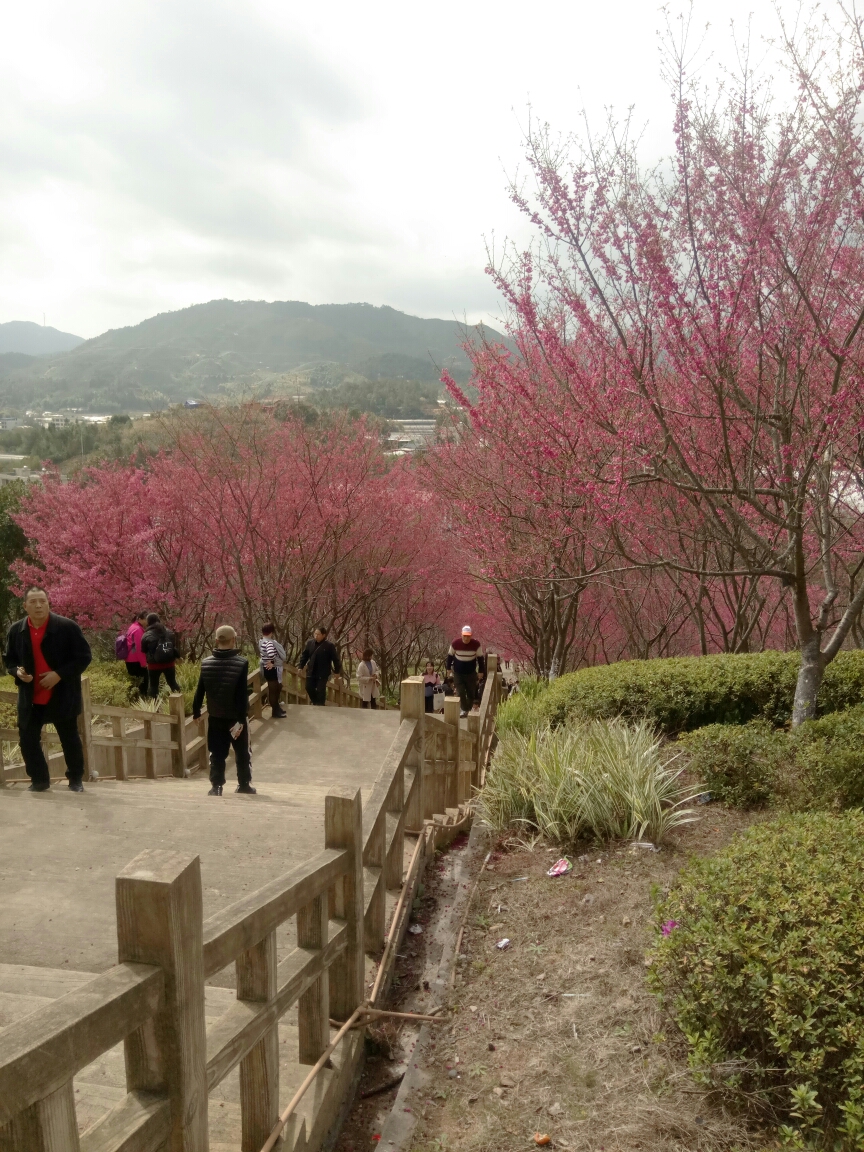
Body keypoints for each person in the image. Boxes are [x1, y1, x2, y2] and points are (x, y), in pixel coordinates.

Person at [3, 587, 92, 792]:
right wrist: (17, 672)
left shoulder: (67, 627)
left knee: (69, 738)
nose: (38, 605)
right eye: (33, 602)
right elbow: (9, 659)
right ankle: (40, 780)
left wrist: (58, 674)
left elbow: (84, 657)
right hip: (30, 695)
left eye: (42, 601)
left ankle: (75, 779)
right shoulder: (16, 630)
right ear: (25, 606)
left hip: (61, 693)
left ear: (48, 603)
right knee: (27, 739)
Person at [192, 624, 255, 796]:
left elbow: (200, 690)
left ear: (216, 640)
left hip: (215, 717)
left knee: (217, 753)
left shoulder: (206, 663)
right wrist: (242, 719)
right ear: (233, 640)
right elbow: (242, 694)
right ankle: (243, 785)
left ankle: (216, 786)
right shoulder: (241, 663)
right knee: (242, 752)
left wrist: (196, 711)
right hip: (235, 717)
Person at [445, 625, 485, 718]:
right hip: (458, 673)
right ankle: (464, 709)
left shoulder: (476, 644)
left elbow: (480, 659)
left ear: (471, 636)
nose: (466, 638)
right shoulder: (455, 643)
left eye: (468, 636)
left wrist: (481, 671)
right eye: (464, 636)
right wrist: (448, 668)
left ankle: (467, 709)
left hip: (471, 673)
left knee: (471, 693)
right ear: (461, 635)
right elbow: (450, 656)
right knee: (461, 692)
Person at [298, 625, 343, 706]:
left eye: (318, 634)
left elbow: (335, 659)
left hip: (323, 672)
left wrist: (337, 671)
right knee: (308, 687)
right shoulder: (310, 643)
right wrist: (300, 667)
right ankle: (316, 702)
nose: (316, 636)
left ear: (323, 635)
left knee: (320, 690)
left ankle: (320, 705)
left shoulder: (329, 645)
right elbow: (305, 656)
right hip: (311, 671)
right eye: (315, 634)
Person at [141, 612, 179, 698]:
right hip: (169, 663)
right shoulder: (169, 632)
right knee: (173, 683)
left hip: (154, 665)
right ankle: (181, 701)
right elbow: (173, 646)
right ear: (158, 620)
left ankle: (154, 708)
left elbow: (143, 650)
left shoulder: (146, 635)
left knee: (153, 686)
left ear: (148, 622)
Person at [259, 622, 287, 718]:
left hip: (268, 669)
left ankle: (277, 708)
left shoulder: (262, 641)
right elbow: (271, 653)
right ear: (271, 632)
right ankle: (275, 711)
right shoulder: (269, 642)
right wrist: (272, 662)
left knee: (277, 688)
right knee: (273, 690)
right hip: (271, 669)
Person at [124, 612, 149, 693]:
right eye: (146, 620)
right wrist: (143, 663)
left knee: (134, 682)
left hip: (129, 659)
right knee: (143, 682)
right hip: (136, 660)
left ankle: (133, 699)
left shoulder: (132, 627)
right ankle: (142, 700)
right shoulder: (138, 630)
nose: (147, 622)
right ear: (140, 619)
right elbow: (139, 648)